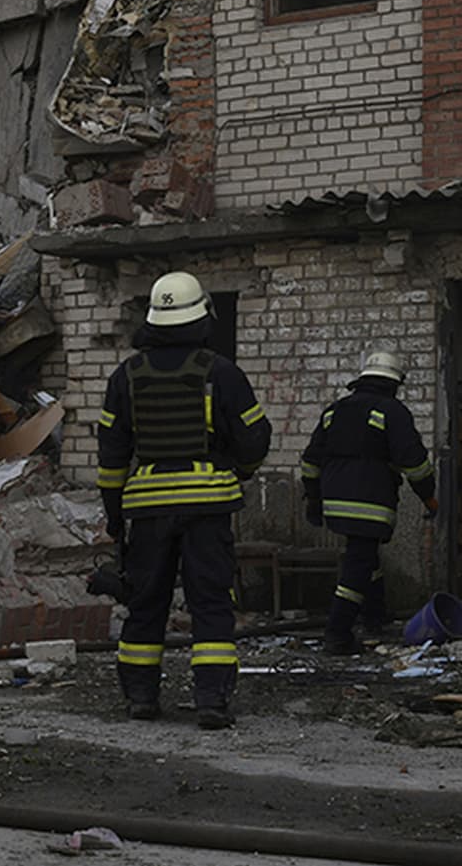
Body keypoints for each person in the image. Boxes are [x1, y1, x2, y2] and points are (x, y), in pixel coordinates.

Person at [97, 271, 271, 728]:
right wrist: (240, 472)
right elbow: (254, 439)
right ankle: (211, 701)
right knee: (210, 602)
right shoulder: (222, 373)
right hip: (208, 505)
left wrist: (114, 515)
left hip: (148, 507)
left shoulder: (125, 376)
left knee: (146, 602)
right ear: (201, 316)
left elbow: (111, 453)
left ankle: (140, 697)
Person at [301, 348, 437, 655]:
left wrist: (313, 498)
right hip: (370, 502)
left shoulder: (335, 410)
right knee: (358, 565)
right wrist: (428, 495)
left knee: (365, 556)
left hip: (334, 501)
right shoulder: (393, 412)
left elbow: (310, 460)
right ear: (393, 383)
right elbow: (414, 461)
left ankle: (375, 615)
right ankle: (337, 634)